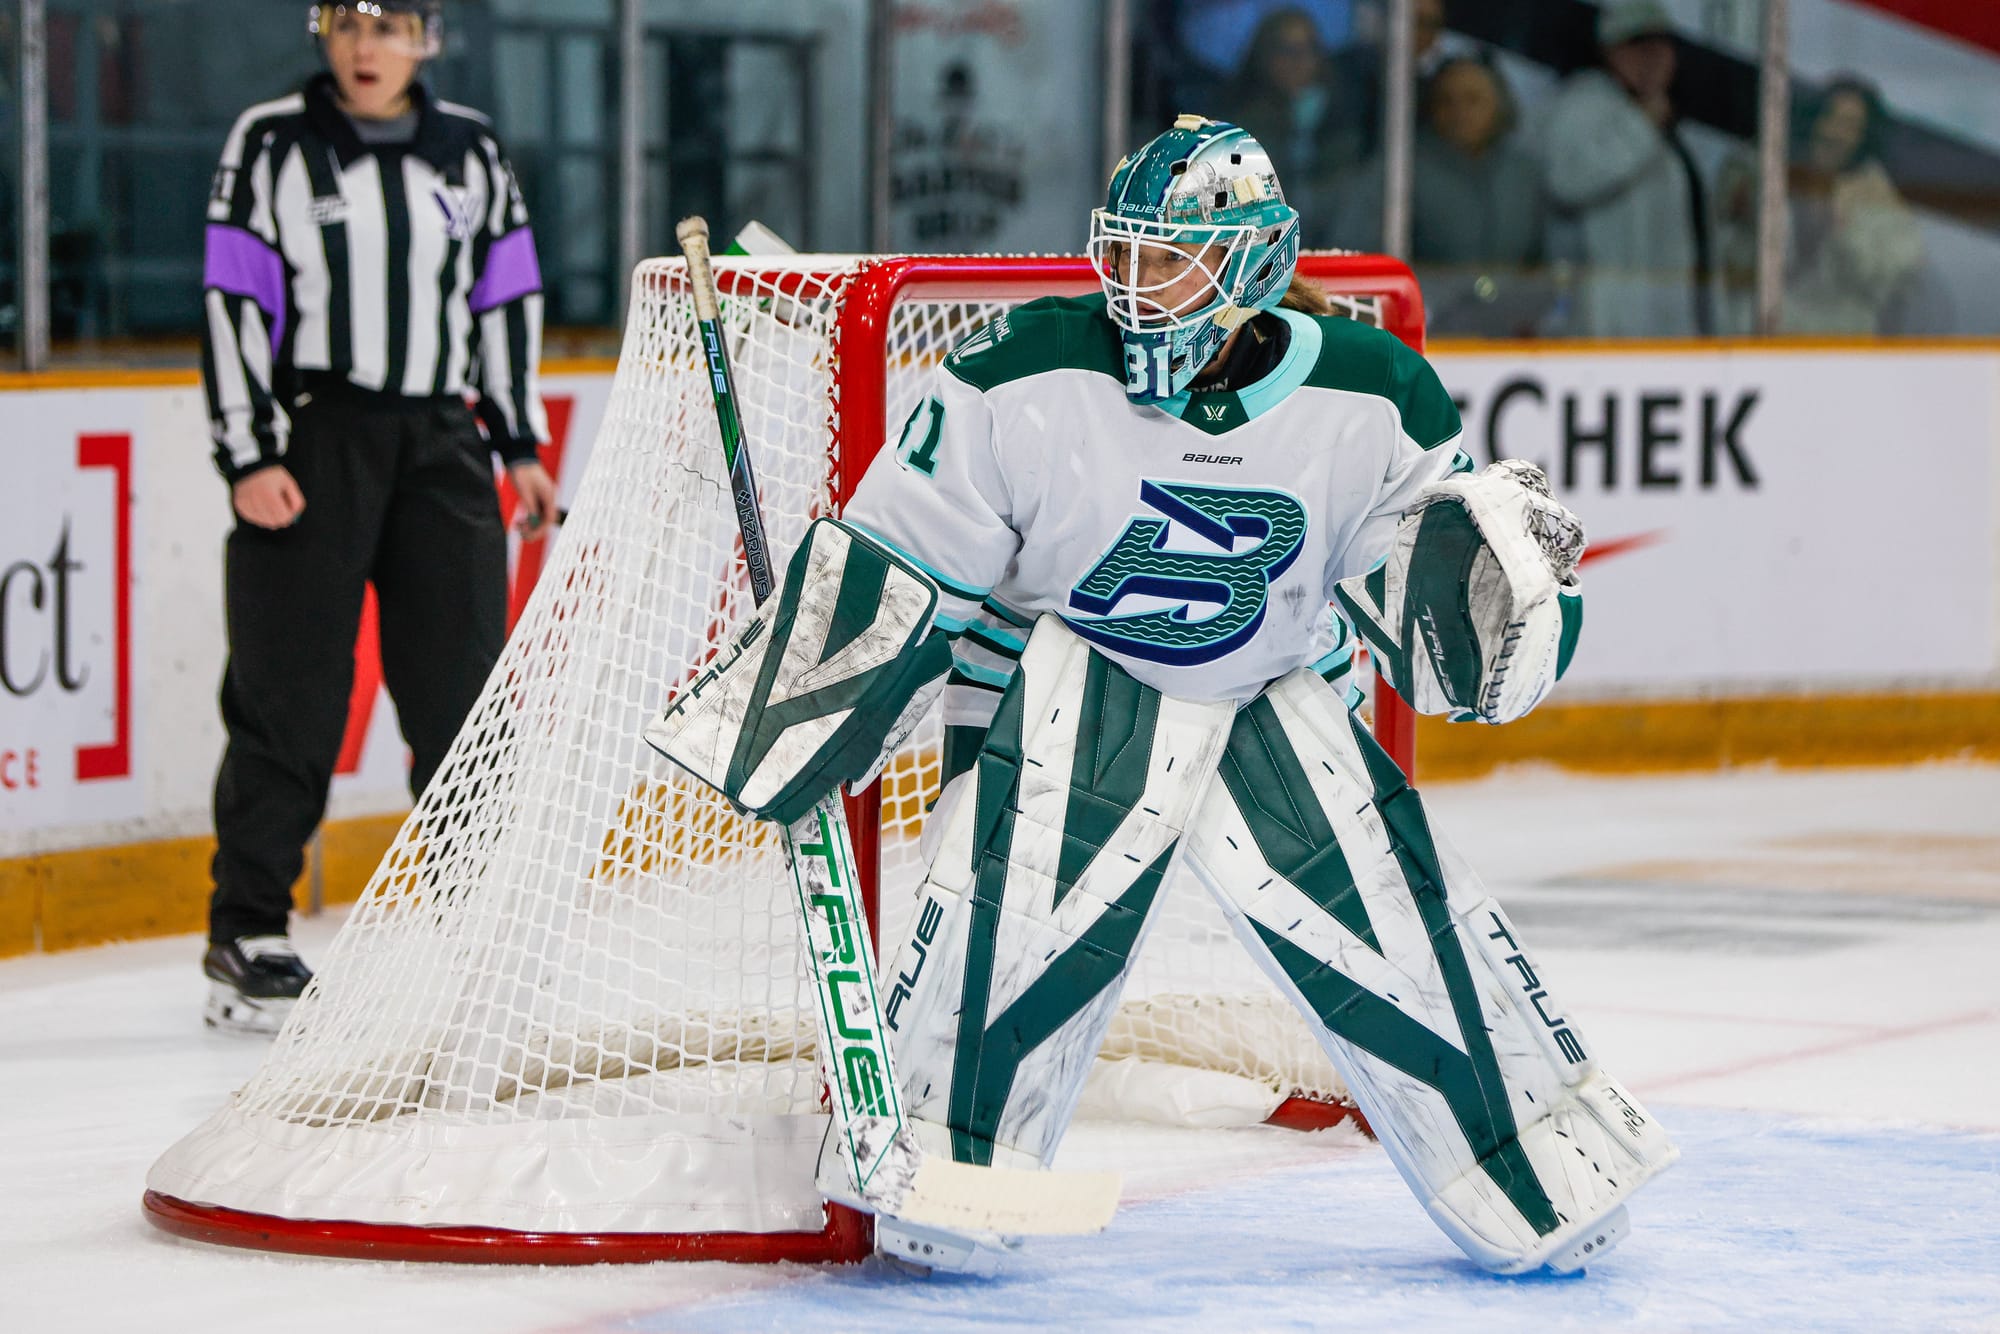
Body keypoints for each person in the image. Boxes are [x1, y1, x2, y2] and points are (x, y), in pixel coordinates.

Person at [646, 116, 1676, 1276]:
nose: (1133, 286)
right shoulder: (1016, 369)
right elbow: (903, 554)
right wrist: (798, 706)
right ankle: (952, 1157)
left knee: (1400, 924)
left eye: (1166, 258)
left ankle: (1533, 1157)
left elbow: (1418, 619)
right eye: (1121, 253)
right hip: (1064, 684)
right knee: (1016, 936)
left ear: (1248, 263)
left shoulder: (1373, 391)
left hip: (1265, 698)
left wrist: (1504, 609)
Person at [198, 1, 558, 1033]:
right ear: (324, 33)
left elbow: (504, 296)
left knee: (460, 692)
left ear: (428, 39)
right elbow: (234, 297)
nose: (366, 47)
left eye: (390, 25)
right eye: (349, 22)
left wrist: (519, 443)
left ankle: (470, 923)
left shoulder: (471, 152)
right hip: (314, 440)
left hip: (442, 446)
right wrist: (248, 451)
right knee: (289, 689)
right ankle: (249, 923)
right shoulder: (272, 143)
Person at [1335, 56, 1551, 335]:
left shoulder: (1525, 172)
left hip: (1514, 334)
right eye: (1446, 101)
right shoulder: (1400, 170)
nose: (1459, 111)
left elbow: (1548, 261)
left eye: (1473, 100)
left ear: (1499, 105)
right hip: (1426, 330)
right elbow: (1358, 249)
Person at [1541, 0, 1711, 336]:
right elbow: (1566, 182)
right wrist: (1641, 127)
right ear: (1610, 52)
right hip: (1597, 326)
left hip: (1666, 323)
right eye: (1637, 45)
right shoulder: (1581, 104)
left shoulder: (1669, 121)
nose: (1653, 57)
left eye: (1662, 45)